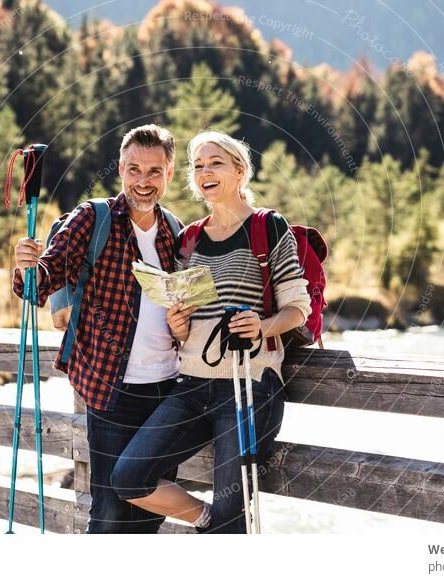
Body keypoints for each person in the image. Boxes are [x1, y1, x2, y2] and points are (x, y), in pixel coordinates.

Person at [110, 130, 311, 533]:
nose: (205, 171)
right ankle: (208, 521)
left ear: (240, 171)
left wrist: (261, 325)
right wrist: (178, 324)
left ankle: (223, 526)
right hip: (191, 387)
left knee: (233, 515)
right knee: (129, 477)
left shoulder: (267, 227)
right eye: (198, 165)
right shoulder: (190, 239)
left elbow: (298, 308)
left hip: (249, 385)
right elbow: (186, 322)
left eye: (215, 162)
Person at [12, 124, 184, 533]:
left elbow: (181, 311)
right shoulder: (94, 218)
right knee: (108, 511)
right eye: (134, 170)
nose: (144, 181)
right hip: (112, 390)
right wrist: (25, 267)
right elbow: (42, 279)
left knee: (149, 513)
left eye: (155, 171)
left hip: (167, 391)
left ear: (170, 174)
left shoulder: (176, 232)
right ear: (120, 169)